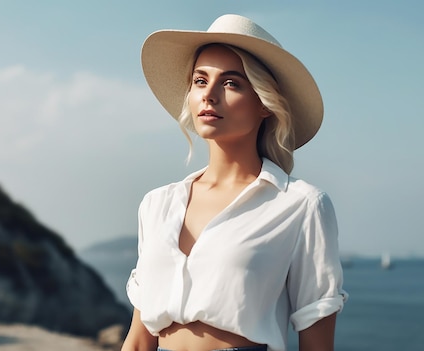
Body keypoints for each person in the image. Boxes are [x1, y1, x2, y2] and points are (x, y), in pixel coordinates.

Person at [122, 14, 347, 351]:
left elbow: (317, 346)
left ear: (265, 103)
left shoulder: (301, 206)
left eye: (230, 83)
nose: (208, 95)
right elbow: (139, 341)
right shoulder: (157, 204)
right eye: (200, 80)